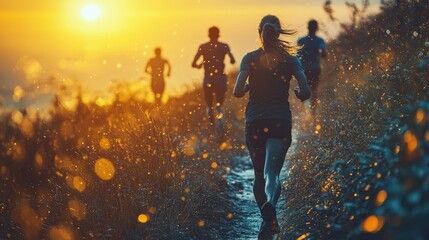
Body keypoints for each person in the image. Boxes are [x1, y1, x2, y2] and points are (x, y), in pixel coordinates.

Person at [233, 15, 310, 239]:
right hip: (280, 121)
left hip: (255, 120)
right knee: (272, 173)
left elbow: (237, 91)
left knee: (258, 174)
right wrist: (296, 93)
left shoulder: (250, 58)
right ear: (278, 33)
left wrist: (247, 87)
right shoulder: (290, 59)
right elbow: (305, 92)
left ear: (260, 33)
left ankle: (267, 220)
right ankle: (270, 214)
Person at [192, 26, 236, 127]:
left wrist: (201, 64)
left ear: (208, 34)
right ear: (218, 34)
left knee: (209, 105)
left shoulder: (203, 47)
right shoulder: (224, 46)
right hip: (220, 78)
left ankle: (211, 126)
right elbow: (232, 60)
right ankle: (220, 125)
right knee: (219, 104)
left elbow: (193, 64)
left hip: (208, 79)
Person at [297, 20, 326, 117]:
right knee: (314, 91)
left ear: (308, 28)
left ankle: (303, 112)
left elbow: (297, 56)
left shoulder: (301, 41)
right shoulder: (320, 40)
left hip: (303, 70)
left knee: (303, 90)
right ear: (317, 28)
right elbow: (323, 53)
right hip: (315, 69)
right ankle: (312, 114)